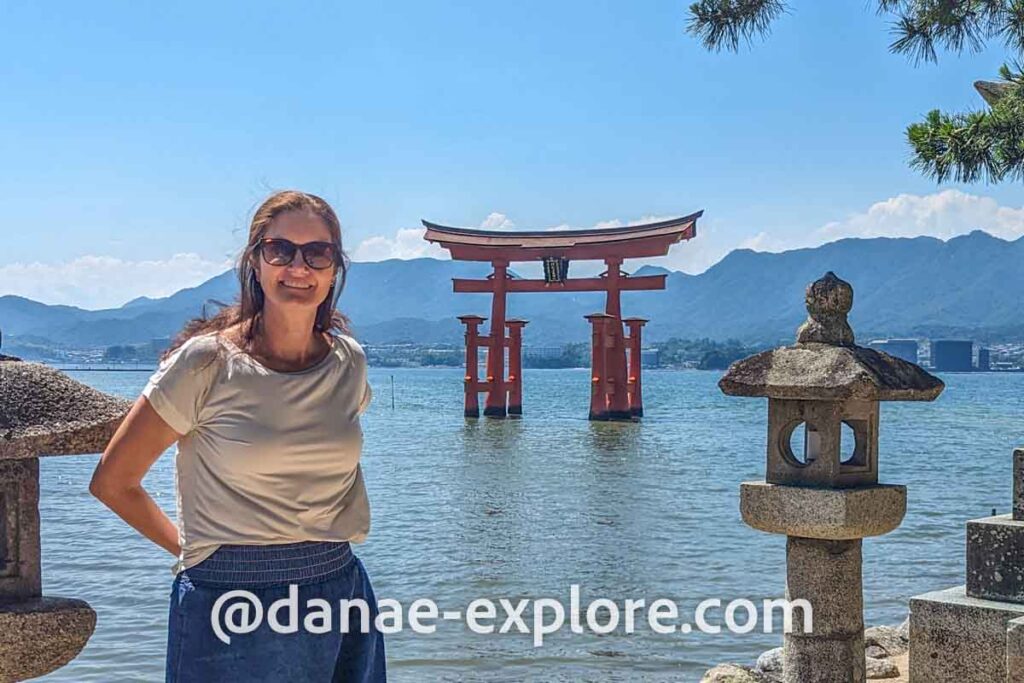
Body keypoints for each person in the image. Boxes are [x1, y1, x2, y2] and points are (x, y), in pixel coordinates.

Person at [89, 190, 386, 682]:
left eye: (318, 252)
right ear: (255, 260)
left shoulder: (348, 361)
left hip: (339, 589)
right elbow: (113, 482)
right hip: (230, 602)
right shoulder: (206, 363)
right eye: (280, 250)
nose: (299, 266)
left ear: (335, 267)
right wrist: (192, 553)